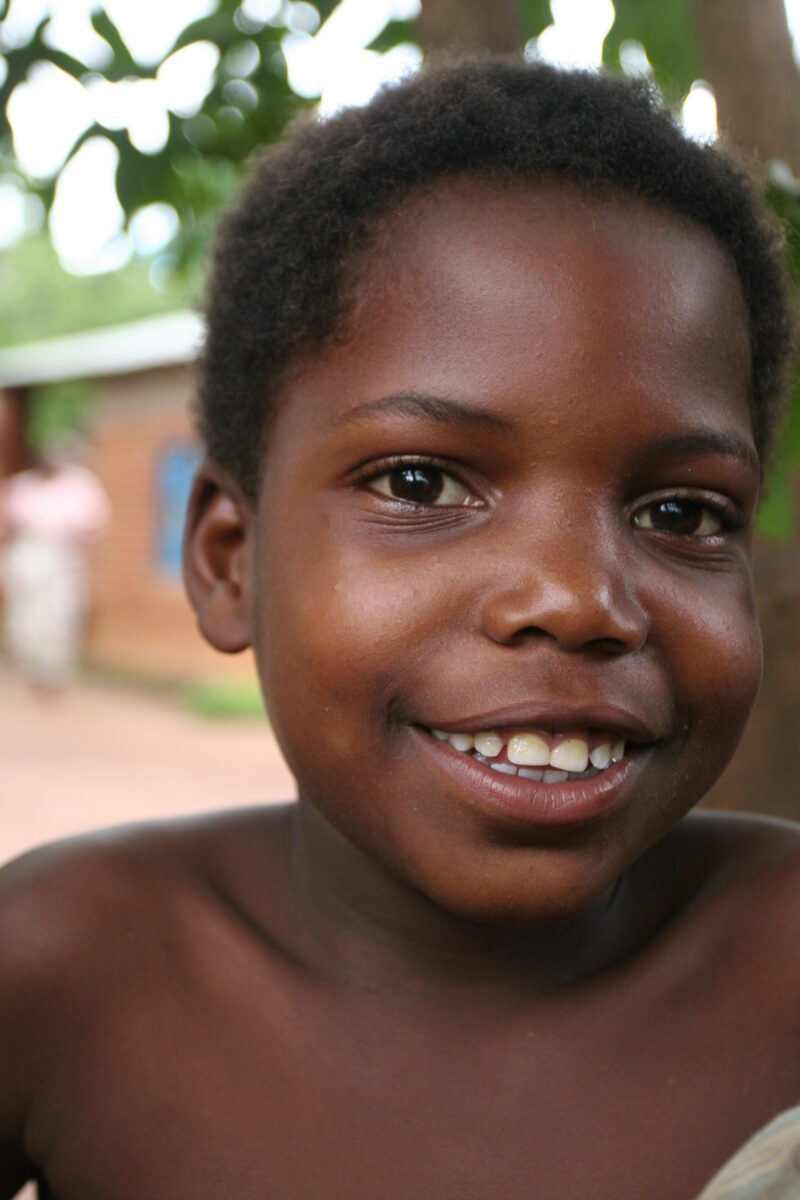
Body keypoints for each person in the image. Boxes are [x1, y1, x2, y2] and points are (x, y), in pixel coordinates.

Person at [0, 58, 798, 1200]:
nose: (577, 598)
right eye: (420, 483)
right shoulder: (64, 970)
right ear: (230, 558)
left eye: (682, 512)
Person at [0, 450, 109, 691]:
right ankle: (32, 668)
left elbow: (95, 525)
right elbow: (8, 525)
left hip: (63, 558)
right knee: (27, 615)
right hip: (28, 556)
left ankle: (54, 671)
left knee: (60, 615)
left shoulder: (80, 484)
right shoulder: (21, 486)